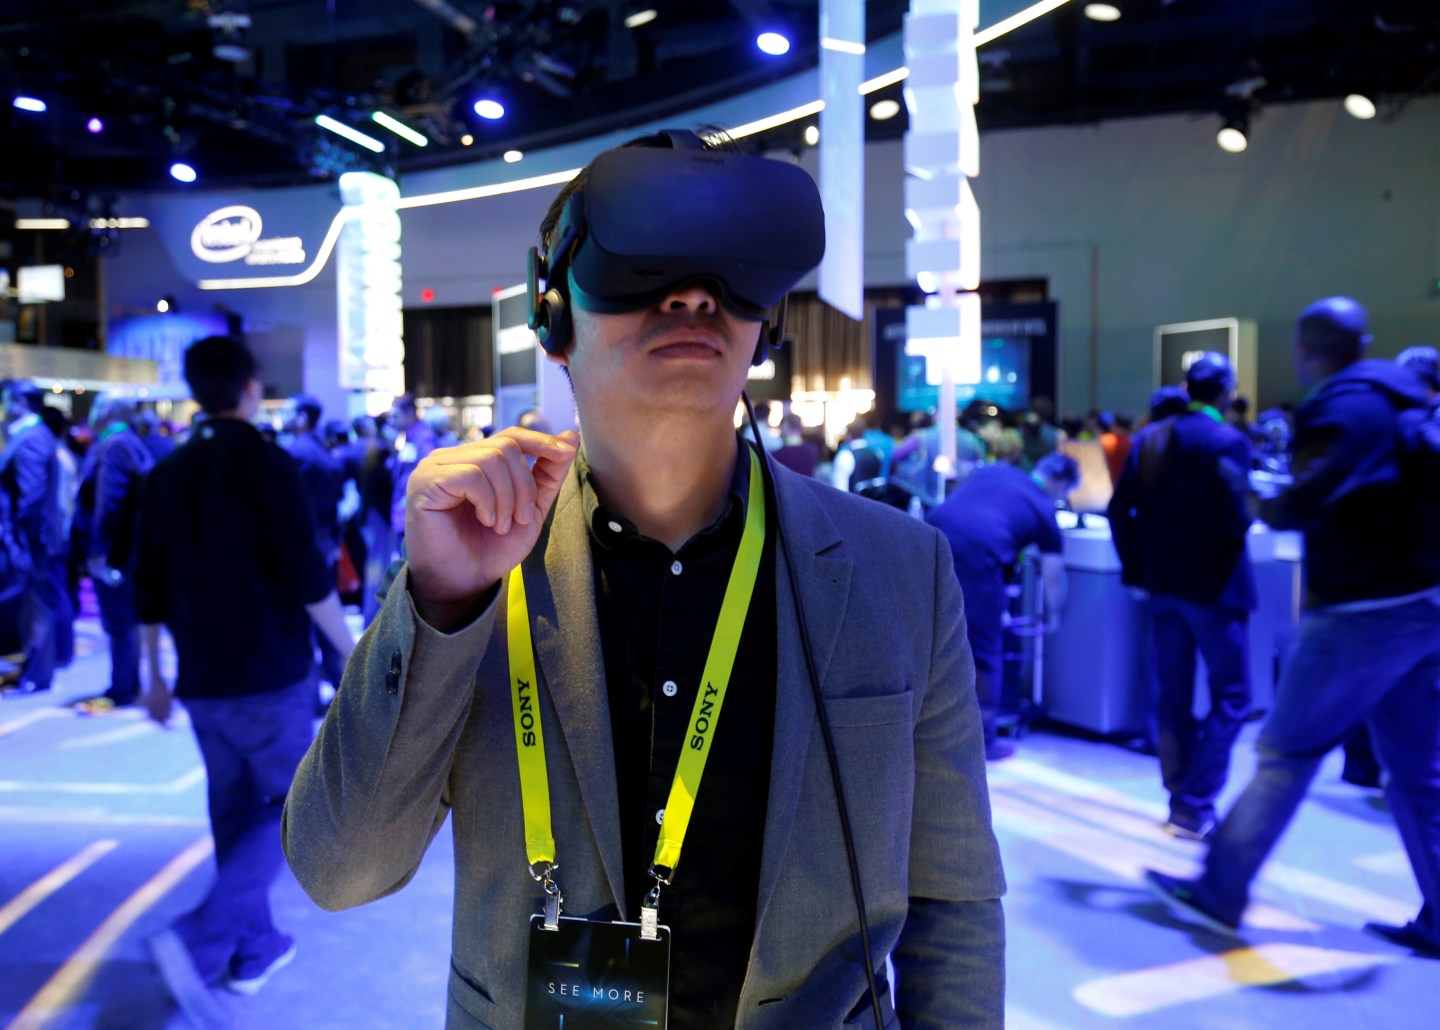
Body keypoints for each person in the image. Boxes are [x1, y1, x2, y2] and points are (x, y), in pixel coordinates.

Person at [284, 130, 1005, 1028]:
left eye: (730, 274)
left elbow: (954, 893)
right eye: (640, 262)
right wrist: (442, 607)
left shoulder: (900, 567)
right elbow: (340, 870)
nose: (695, 295)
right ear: (553, 317)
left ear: (766, 324)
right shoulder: (475, 561)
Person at [1146, 297, 1440, 958]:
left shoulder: (1341, 408)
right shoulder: (1405, 397)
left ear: (1308, 349)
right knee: (1418, 770)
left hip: (1359, 612)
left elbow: (1297, 507)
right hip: (1423, 602)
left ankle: (1220, 889)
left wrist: (1254, 492)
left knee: (1284, 753)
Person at [136, 337, 355, 1022]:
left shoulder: (166, 473)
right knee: (295, 810)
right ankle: (204, 934)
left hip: (200, 675)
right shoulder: (269, 466)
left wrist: (152, 675)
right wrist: (349, 651)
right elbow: (305, 573)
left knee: (235, 814)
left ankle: (252, 947)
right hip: (271, 673)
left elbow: (146, 582)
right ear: (252, 388)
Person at [1108, 352, 1256, 840]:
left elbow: (1118, 509)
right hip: (1214, 589)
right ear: (1226, 391)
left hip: (1163, 588)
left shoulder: (1150, 439)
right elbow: (1237, 518)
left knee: (1172, 695)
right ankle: (1195, 803)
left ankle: (1181, 803)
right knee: (1233, 697)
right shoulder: (1228, 440)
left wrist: (1135, 567)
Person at [927, 451, 1077, 761]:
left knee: (931, 641)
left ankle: (927, 731)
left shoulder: (997, 470)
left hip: (931, 537)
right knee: (984, 650)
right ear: (1059, 483)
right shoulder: (1044, 509)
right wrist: (1055, 614)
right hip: (980, 555)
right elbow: (1053, 576)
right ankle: (984, 741)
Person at [74, 394, 154, 715]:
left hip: (118, 553)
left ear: (106, 411)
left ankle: (123, 689)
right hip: (129, 550)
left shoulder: (115, 444)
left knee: (119, 622)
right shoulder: (127, 442)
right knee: (124, 623)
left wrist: (100, 551)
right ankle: (126, 685)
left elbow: (111, 503)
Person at [0, 380, 65, 698]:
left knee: (38, 606)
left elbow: (31, 497)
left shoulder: (33, 438)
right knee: (32, 607)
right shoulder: (31, 435)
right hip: (30, 539)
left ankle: (38, 674)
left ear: (19, 402)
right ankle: (33, 670)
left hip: (32, 540)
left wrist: (21, 543)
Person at [282, 392, 347, 699]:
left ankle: (309, 692)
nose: (283, 416)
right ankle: (338, 683)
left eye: (288, 411)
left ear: (302, 418)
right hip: (326, 543)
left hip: (301, 546)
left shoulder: (295, 454)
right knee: (325, 614)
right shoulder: (323, 452)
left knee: (301, 620)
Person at [386, 393, 437, 553]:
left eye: (395, 416)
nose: (391, 421)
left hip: (412, 515)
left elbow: (430, 471)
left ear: (409, 413)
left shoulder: (423, 437)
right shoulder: (409, 437)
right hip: (406, 514)